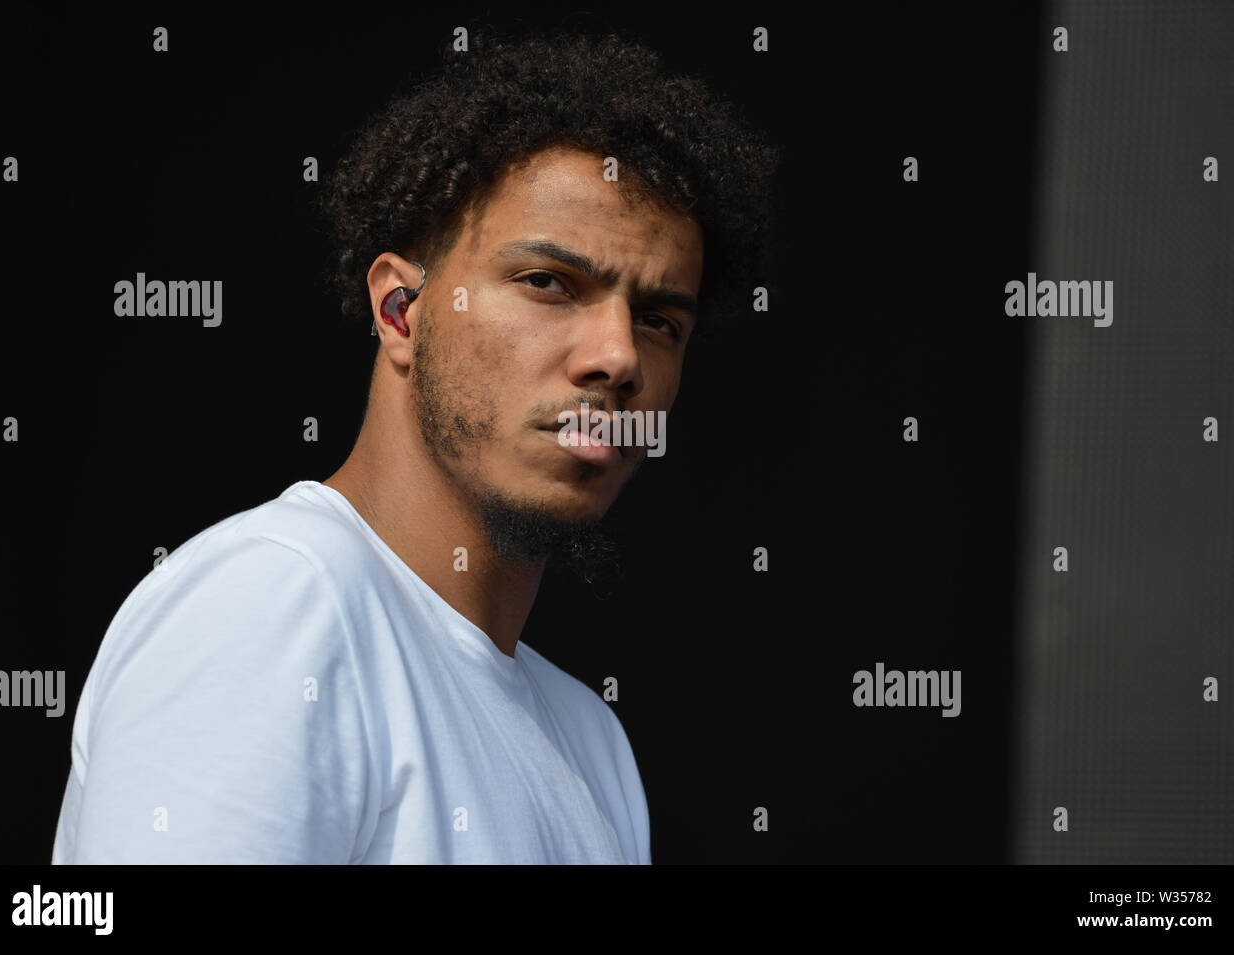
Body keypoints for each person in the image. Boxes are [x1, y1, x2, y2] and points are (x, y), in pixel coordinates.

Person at [52, 30, 776, 864]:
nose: (617, 357)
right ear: (401, 312)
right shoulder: (276, 604)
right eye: (549, 283)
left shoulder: (592, 743)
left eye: (657, 319)